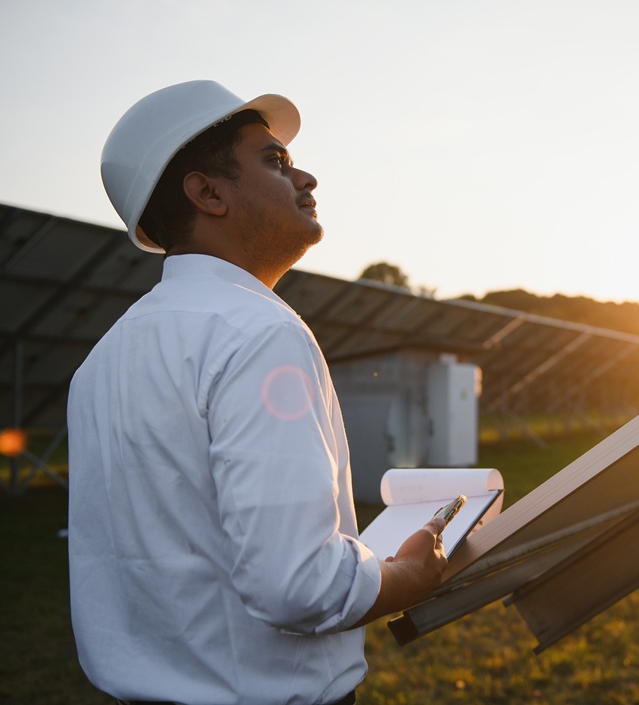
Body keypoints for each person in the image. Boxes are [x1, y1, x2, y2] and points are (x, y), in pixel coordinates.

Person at [68, 80, 448, 705]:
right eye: (275, 161)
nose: (307, 179)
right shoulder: (257, 330)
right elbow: (297, 585)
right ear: (207, 192)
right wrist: (411, 573)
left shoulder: (101, 362)